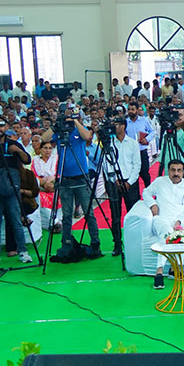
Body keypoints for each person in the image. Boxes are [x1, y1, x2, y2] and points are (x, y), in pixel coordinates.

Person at [0, 119, 33, 265]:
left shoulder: (13, 144)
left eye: (2, 126)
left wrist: (18, 151)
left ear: (7, 127)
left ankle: (23, 251)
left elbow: (27, 160)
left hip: (11, 189)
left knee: (16, 221)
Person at [50, 110, 102, 260]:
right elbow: (44, 138)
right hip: (65, 178)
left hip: (81, 176)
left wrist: (75, 122)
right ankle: (66, 243)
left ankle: (95, 243)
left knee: (88, 212)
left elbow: (87, 137)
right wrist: (56, 126)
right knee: (66, 215)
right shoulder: (59, 132)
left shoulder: (78, 130)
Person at [145, 159, 184, 289]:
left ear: (183, 172)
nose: (176, 173)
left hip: (182, 219)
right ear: (168, 171)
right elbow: (145, 192)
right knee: (167, 232)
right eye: (173, 170)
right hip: (162, 219)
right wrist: (153, 204)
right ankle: (159, 272)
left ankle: (176, 269)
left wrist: (180, 221)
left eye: (179, 170)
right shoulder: (159, 182)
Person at [104, 119, 141, 257]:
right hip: (114, 182)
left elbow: (137, 164)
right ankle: (117, 244)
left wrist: (129, 182)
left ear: (124, 126)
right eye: (114, 124)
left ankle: (135, 242)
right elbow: (106, 164)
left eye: (118, 124)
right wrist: (113, 180)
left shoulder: (132, 143)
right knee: (115, 216)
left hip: (130, 182)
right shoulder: (109, 144)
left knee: (133, 214)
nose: (115, 127)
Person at [125, 100, 156, 187]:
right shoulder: (125, 122)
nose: (130, 111)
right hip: (130, 153)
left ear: (137, 110)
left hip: (142, 151)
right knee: (133, 175)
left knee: (145, 174)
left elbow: (152, 132)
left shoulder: (143, 121)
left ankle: (148, 191)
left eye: (132, 109)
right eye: (129, 109)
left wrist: (146, 139)